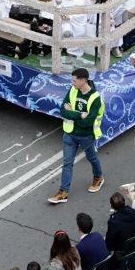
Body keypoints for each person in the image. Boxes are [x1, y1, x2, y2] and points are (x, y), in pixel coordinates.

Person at [50, 66, 104, 204]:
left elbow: (89, 122)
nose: (72, 83)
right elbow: (63, 110)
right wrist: (80, 115)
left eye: (74, 80)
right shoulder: (73, 90)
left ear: (83, 80)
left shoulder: (95, 98)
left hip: (86, 136)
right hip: (70, 134)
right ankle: (63, 192)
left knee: (92, 158)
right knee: (67, 163)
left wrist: (72, 113)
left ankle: (98, 177)